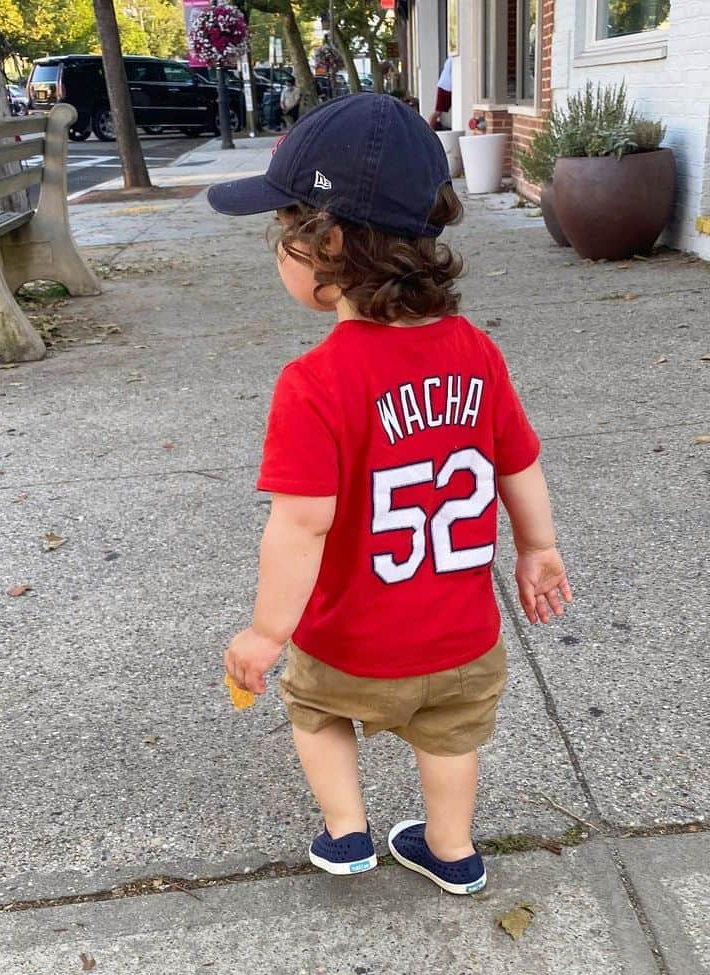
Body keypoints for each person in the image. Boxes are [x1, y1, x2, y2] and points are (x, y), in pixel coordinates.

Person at [209, 94, 572, 896]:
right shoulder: (477, 352)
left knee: (316, 711)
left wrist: (269, 633)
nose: (278, 252)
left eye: (283, 233)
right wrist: (539, 548)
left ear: (327, 245)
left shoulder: (315, 384)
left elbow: (300, 526)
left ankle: (347, 835)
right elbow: (519, 462)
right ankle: (450, 849)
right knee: (449, 735)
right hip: (461, 638)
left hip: (352, 644)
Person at [428, 55, 451, 131]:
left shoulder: (449, 59)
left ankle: (430, 128)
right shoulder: (452, 60)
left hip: (445, 86)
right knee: (438, 111)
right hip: (446, 87)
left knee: (439, 111)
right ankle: (429, 130)